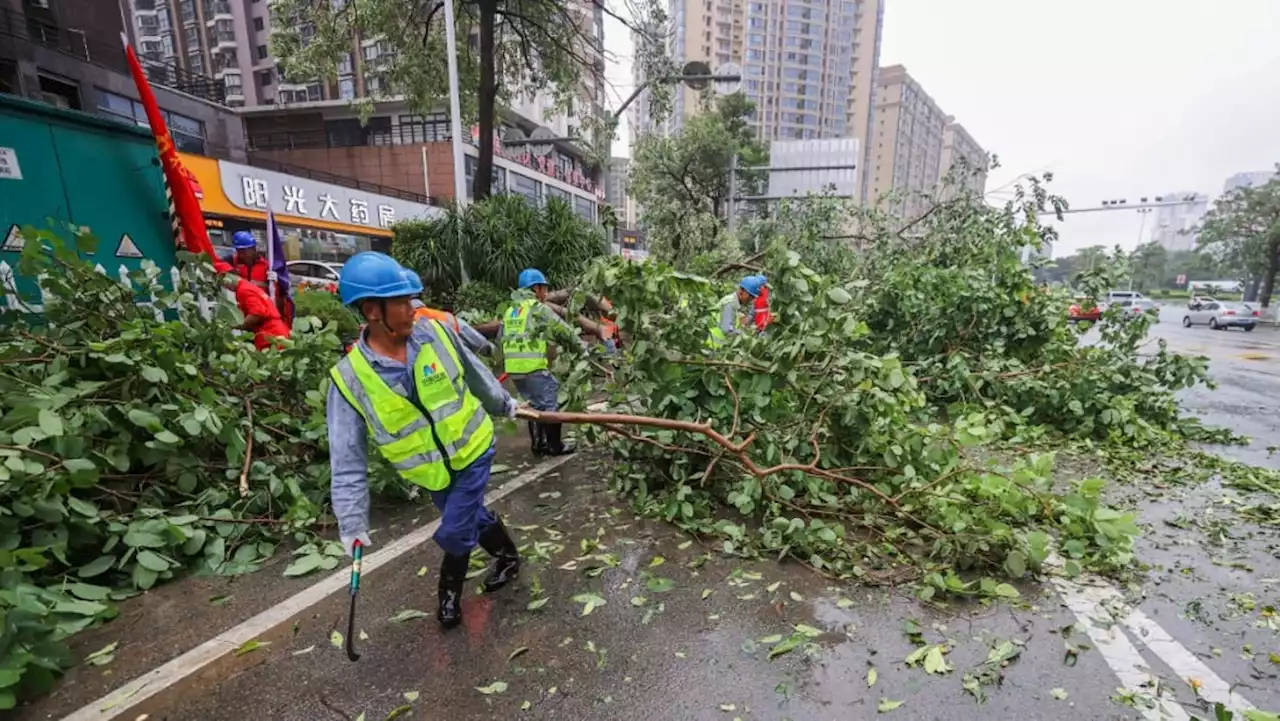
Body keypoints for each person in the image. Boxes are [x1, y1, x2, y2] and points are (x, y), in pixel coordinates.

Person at [326, 252, 520, 629]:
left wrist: (504, 404)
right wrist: (351, 524)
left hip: (474, 449)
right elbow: (347, 458)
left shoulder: (436, 334)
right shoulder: (349, 379)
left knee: (456, 529)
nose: (414, 308)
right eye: (402, 301)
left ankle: (448, 594)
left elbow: (476, 375)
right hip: (431, 473)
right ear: (371, 311)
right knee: (467, 517)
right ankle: (508, 555)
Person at [490, 268, 584, 456]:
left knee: (534, 405)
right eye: (544, 288)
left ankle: (538, 444)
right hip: (533, 368)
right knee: (552, 403)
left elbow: (500, 340)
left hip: (514, 370)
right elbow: (563, 330)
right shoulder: (539, 309)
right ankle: (555, 446)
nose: (546, 293)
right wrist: (583, 350)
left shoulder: (511, 311)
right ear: (536, 288)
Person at [221, 272, 291, 350]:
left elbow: (256, 313)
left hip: (270, 333)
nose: (226, 288)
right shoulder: (247, 286)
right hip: (277, 330)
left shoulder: (243, 290)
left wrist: (236, 326)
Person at [709, 274, 767, 346]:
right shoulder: (730, 303)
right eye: (750, 296)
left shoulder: (733, 304)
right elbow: (727, 330)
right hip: (713, 345)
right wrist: (746, 335)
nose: (751, 300)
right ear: (742, 291)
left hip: (717, 344)